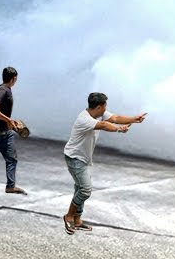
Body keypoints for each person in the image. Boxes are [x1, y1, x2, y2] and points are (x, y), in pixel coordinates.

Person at [61, 92, 146, 234]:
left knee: (80, 188)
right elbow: (105, 125)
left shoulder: (97, 113)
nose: (106, 109)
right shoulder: (84, 119)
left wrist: (134, 119)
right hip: (74, 158)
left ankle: (77, 220)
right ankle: (68, 216)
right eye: (105, 106)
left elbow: (116, 118)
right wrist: (119, 129)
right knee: (85, 189)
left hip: (82, 158)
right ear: (99, 106)